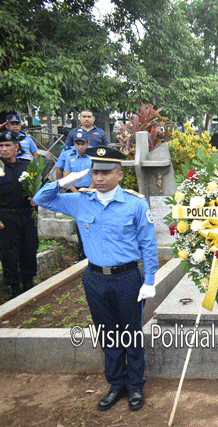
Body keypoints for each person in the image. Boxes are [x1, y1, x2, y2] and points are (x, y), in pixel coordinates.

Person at [33, 146, 158, 411]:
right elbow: (41, 198)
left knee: (131, 333)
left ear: (119, 175)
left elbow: (148, 244)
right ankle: (116, 384)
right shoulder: (81, 200)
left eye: (106, 172)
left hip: (127, 278)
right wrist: (66, 180)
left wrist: (149, 280)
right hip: (95, 278)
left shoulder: (135, 203)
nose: (99, 178)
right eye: (95, 172)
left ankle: (135, 384)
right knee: (107, 333)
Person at [0, 131, 39, 298]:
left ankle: (28, 283)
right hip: (6, 217)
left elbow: (38, 188)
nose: (4, 149)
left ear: (17, 147)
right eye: (1, 146)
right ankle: (14, 288)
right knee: (9, 254)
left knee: (29, 249)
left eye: (8, 145)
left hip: (27, 215)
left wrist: (36, 199)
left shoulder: (27, 166)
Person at [64, 131, 93, 261]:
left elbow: (97, 174)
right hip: (75, 191)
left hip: (91, 190)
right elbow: (66, 175)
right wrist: (75, 191)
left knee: (92, 220)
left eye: (83, 144)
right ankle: (82, 250)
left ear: (88, 143)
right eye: (77, 144)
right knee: (79, 222)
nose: (80, 147)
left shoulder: (93, 156)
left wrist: (89, 189)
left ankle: (92, 250)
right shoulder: (70, 156)